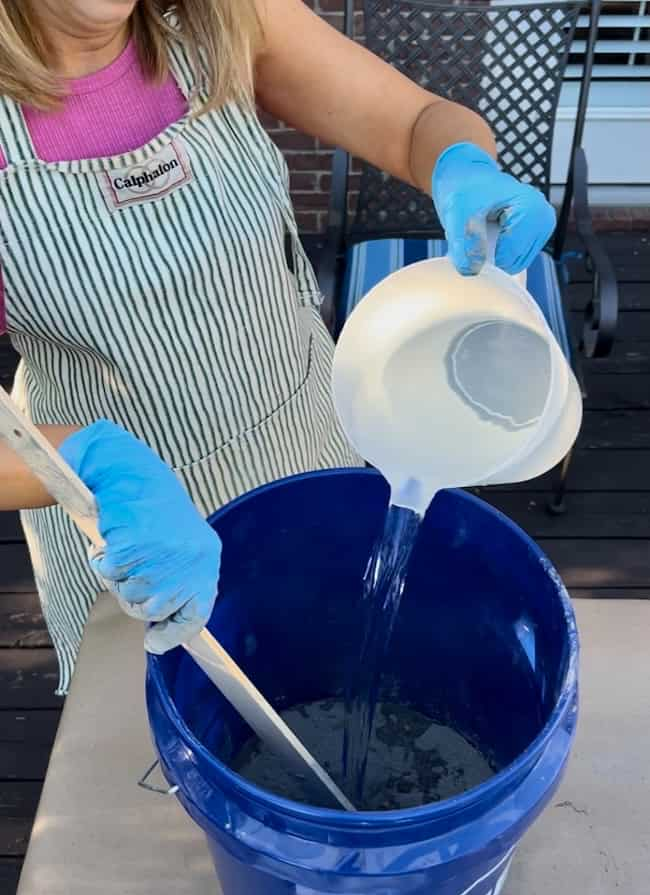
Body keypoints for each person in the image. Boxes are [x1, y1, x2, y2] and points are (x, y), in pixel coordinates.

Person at [0, 0, 555, 694]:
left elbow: (416, 122)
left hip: (308, 450)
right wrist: (84, 462)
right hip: (140, 533)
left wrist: (461, 166)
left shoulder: (221, 17)